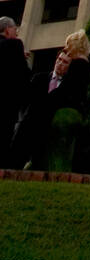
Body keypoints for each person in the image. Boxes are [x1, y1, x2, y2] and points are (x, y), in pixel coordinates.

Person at [9, 30, 90, 172]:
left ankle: (15, 163)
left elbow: (66, 92)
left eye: (68, 46)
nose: (66, 50)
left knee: (30, 125)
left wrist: (45, 102)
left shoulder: (79, 65)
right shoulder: (81, 64)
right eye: (59, 59)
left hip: (61, 109)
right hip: (56, 107)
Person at [0, 17, 30, 166]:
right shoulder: (15, 45)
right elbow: (22, 73)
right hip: (8, 101)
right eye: (15, 30)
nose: (16, 33)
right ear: (7, 30)